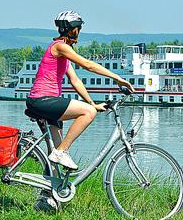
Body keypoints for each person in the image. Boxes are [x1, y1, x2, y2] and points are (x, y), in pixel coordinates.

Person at [26, 10, 135, 170]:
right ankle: (62, 152)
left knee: (55, 157)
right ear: (72, 29)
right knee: (87, 113)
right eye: (78, 29)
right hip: (42, 101)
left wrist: (92, 103)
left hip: (43, 102)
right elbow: (88, 65)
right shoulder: (60, 47)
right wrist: (118, 78)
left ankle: (49, 191)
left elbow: (75, 81)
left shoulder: (63, 53)